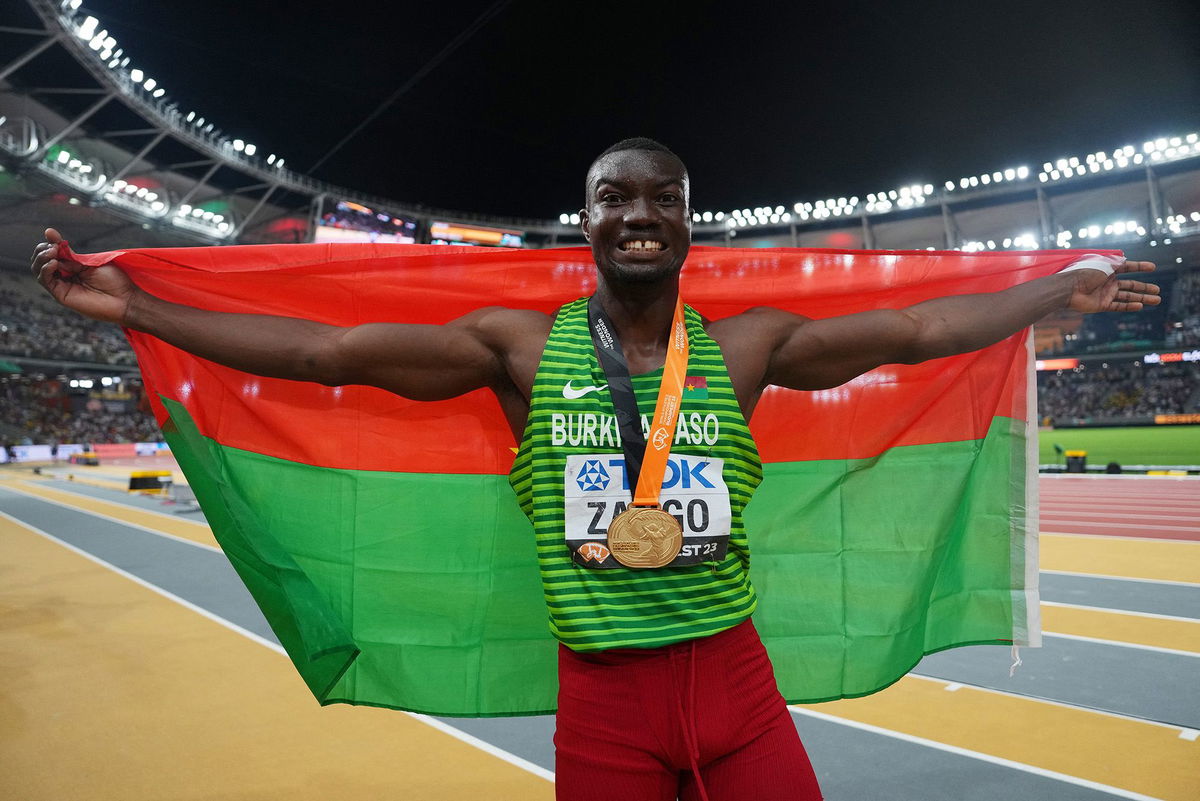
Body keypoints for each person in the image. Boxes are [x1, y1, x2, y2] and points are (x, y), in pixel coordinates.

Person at [31, 137, 1159, 800]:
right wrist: (143, 308)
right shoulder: (517, 351)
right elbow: (328, 353)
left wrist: (1056, 292)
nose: (639, 212)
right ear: (587, 220)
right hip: (605, 703)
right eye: (616, 195)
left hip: (737, 685)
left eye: (661, 197)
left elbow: (920, 332)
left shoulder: (746, 346)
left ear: (685, 223)